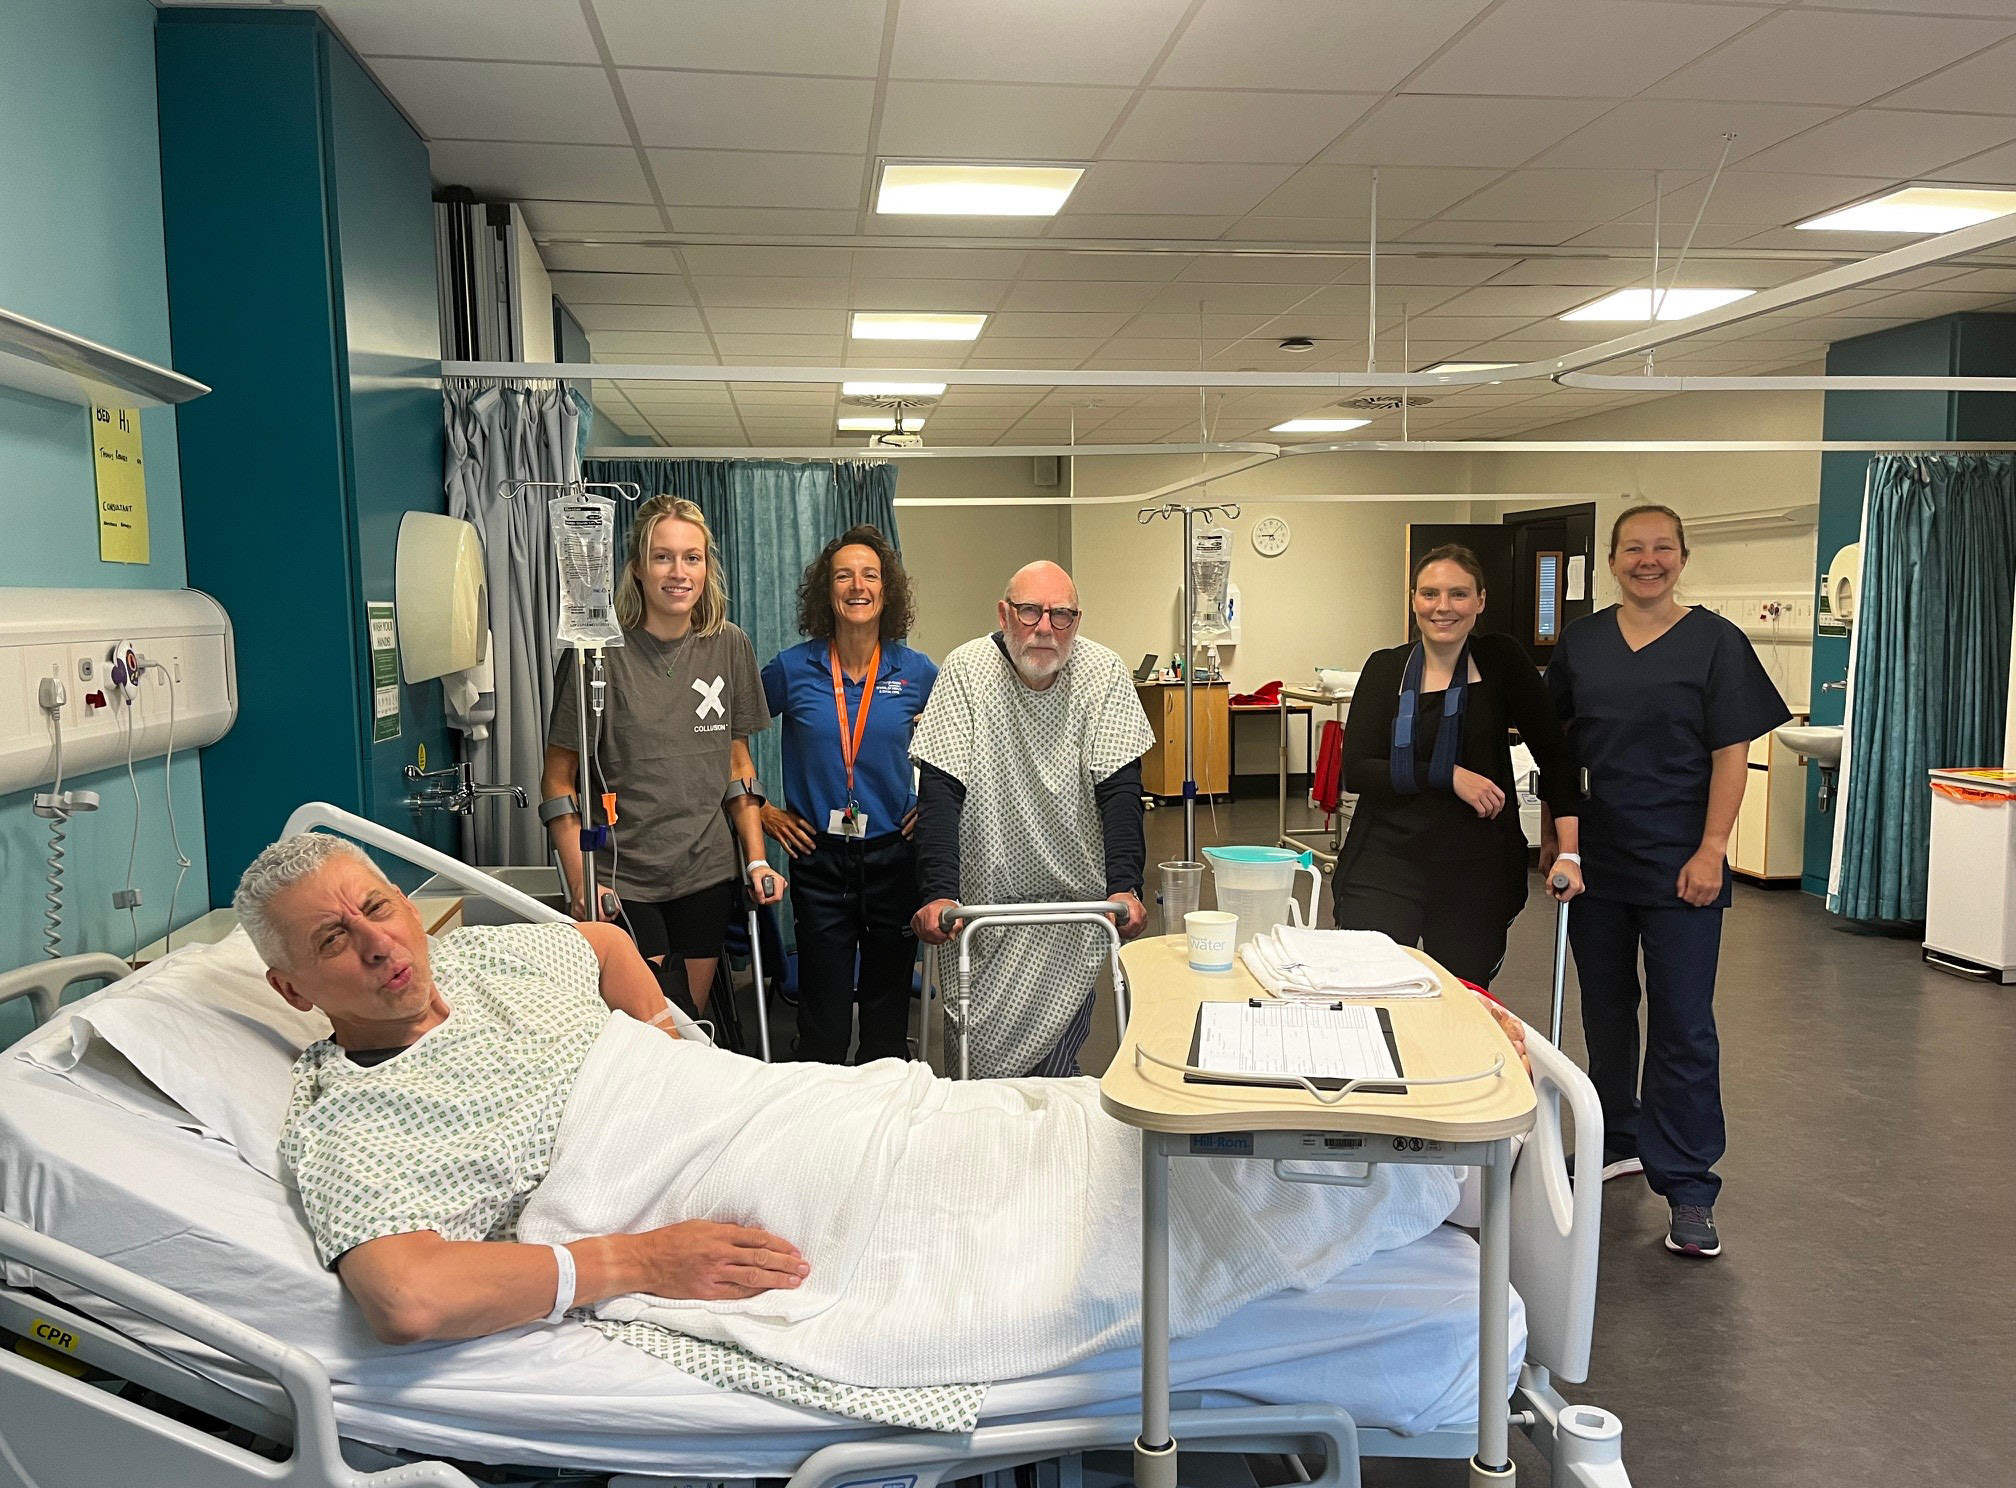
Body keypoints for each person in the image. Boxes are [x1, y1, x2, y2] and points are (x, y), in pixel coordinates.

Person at [237, 832, 1504, 1377]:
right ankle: (1393, 1182)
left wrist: (689, 1052)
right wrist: (633, 1259)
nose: (379, 943)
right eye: (334, 942)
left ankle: (1379, 1131)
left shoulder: (485, 958)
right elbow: (404, 1297)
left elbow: (604, 952)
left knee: (1048, 1120)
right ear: (294, 986)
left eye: (380, 907)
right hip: (662, 1180)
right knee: (1031, 1204)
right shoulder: (350, 1119)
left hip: (745, 1102)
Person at [1544, 503, 1790, 1262]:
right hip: (1599, 865)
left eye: (1661, 549)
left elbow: (1730, 753)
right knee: (1608, 1013)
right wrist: (1566, 848)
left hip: (1684, 863)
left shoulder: (1716, 643)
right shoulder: (1582, 645)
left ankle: (1687, 1184)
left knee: (1684, 1023)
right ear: (1612, 560)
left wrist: (1714, 848)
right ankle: (1617, 1136)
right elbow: (1561, 760)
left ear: (1683, 557)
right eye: (1632, 549)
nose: (1646, 560)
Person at [541, 495, 783, 1016]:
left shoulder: (729, 646)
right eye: (663, 557)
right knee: (651, 1020)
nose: (679, 572)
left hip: (706, 870)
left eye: (692, 558)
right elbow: (559, 780)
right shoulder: (595, 655)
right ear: (637, 569)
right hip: (622, 872)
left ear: (707, 568)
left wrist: (757, 857)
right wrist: (580, 881)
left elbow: (738, 766)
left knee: (687, 1020)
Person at [909, 561, 1152, 1078]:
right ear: (1004, 613)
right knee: (974, 1072)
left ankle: (1047, 1151)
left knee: (1052, 1077)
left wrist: (1126, 885)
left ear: (1077, 620)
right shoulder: (966, 671)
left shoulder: (1104, 673)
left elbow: (1121, 793)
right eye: (1030, 611)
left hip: (1073, 910)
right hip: (981, 915)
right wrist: (937, 891)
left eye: (1061, 614)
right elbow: (940, 791)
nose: (1045, 627)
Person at [1331, 545, 1582, 987]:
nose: (1443, 607)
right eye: (1430, 594)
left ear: (1480, 601)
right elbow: (1357, 770)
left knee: (1464, 1000)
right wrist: (1447, 775)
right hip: (1387, 861)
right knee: (1374, 991)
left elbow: (1556, 756)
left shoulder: (1501, 661)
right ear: (1413, 600)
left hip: (1476, 868)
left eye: (1458, 594)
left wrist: (1568, 851)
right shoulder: (1386, 668)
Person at [760, 527, 938, 1064]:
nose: (857, 586)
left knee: (887, 1024)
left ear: (888, 591)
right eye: (843, 575)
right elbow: (727, 733)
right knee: (823, 1022)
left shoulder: (917, 672)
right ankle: (822, 1135)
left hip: (892, 857)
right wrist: (761, 809)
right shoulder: (792, 670)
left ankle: (883, 1133)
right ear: (826, 592)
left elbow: (958, 750)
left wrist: (930, 804)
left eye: (870, 575)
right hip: (818, 857)